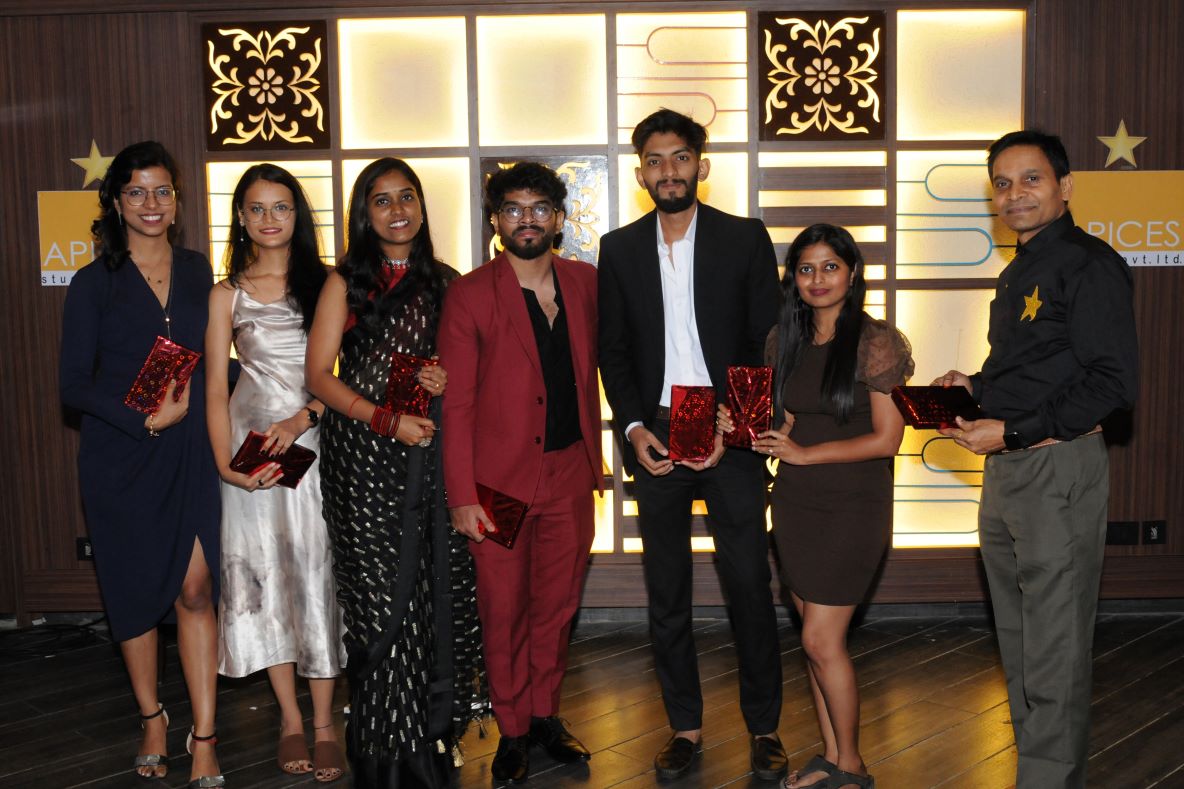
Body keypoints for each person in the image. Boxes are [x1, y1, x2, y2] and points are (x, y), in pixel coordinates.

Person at [933, 129, 1138, 789]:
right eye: (1002, 183)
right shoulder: (1019, 269)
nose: (1014, 194)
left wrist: (1016, 433)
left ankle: (1048, 779)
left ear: (1064, 187)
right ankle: (1038, 768)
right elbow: (1034, 371)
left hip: (1055, 465)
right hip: (1009, 468)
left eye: (1031, 179)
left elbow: (1113, 384)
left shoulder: (1089, 264)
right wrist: (975, 387)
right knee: (1021, 637)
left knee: (1055, 643)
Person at [597, 108, 787, 781]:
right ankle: (685, 726)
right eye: (654, 160)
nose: (668, 171)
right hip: (657, 425)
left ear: (701, 165)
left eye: (680, 157)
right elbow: (614, 351)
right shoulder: (618, 248)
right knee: (667, 588)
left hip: (728, 423)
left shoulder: (743, 237)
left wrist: (739, 426)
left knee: (749, 583)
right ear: (640, 172)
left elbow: (766, 340)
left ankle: (764, 726)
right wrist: (633, 428)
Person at [305, 157, 487, 788]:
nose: (397, 210)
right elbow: (318, 376)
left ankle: (427, 741)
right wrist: (385, 420)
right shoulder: (345, 284)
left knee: (431, 595)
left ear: (421, 206)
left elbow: (469, 370)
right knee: (381, 604)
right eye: (381, 201)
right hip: (363, 462)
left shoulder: (447, 283)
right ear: (364, 215)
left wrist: (444, 377)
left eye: (406, 197)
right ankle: (386, 755)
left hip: (428, 461)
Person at [722, 224, 913, 789]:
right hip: (796, 501)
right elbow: (787, 421)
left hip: (854, 503)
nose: (818, 279)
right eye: (806, 268)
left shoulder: (876, 342)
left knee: (819, 640)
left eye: (831, 266)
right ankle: (831, 757)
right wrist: (745, 427)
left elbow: (887, 439)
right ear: (794, 280)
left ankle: (852, 766)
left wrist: (805, 454)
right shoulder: (784, 339)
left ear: (852, 274)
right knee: (814, 640)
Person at [59, 140, 224, 787]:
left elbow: (217, 360)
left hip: (190, 455)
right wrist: (144, 419)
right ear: (117, 202)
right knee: (130, 595)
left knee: (196, 588)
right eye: (136, 192)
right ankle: (153, 717)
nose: (150, 203)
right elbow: (73, 386)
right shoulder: (92, 282)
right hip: (120, 459)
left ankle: (204, 735)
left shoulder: (198, 271)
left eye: (161, 191)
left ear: (176, 201)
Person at [438, 162, 602, 783]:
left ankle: (543, 715)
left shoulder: (586, 283)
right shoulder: (471, 294)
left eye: (538, 208)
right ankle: (511, 729)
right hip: (496, 484)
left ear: (558, 219)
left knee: (556, 608)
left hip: (570, 472)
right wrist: (461, 495)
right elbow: (456, 404)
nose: (526, 219)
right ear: (495, 220)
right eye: (513, 208)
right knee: (503, 609)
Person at [204, 163, 345, 782]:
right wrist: (225, 467)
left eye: (280, 207)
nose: (269, 219)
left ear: (298, 214)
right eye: (257, 208)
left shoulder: (329, 283)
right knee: (265, 575)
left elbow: (349, 374)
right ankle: (290, 719)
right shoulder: (225, 294)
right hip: (252, 451)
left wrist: (306, 416)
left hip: (316, 444)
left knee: (317, 573)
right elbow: (215, 388)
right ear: (240, 217)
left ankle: (325, 724)